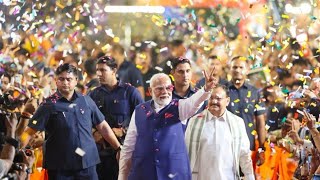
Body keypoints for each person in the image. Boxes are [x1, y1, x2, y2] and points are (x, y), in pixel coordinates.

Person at [20, 63, 121, 180]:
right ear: (56, 81)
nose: (65, 82)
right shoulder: (48, 104)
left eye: (69, 79)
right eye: (61, 79)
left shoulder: (86, 101)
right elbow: (29, 132)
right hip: (60, 167)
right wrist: (17, 150)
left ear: (76, 80)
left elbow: (102, 126)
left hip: (87, 164)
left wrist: (118, 148)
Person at [118, 70, 217, 180]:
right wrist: (122, 176)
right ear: (150, 91)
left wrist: (206, 89)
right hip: (144, 173)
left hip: (175, 173)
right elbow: (128, 147)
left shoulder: (179, 107)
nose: (165, 92)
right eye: (159, 88)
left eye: (168, 88)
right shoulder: (139, 110)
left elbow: (194, 102)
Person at [88, 56, 144, 180]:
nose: (99, 74)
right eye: (97, 70)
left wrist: (124, 130)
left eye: (103, 70)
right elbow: (85, 122)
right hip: (100, 155)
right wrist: (93, 133)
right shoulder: (93, 94)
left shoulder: (130, 92)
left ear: (114, 70)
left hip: (125, 151)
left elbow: (143, 120)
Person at [185, 85, 254, 180]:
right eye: (211, 98)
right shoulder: (195, 121)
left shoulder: (237, 122)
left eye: (218, 98)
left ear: (227, 101)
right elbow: (186, 152)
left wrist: (250, 177)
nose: (214, 101)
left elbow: (244, 154)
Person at [226, 56, 266, 166]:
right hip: (225, 145)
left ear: (247, 70)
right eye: (234, 67)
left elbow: (260, 122)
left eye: (241, 67)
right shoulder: (222, 90)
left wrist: (262, 148)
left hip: (248, 145)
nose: (238, 70)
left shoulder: (255, 92)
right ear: (230, 69)